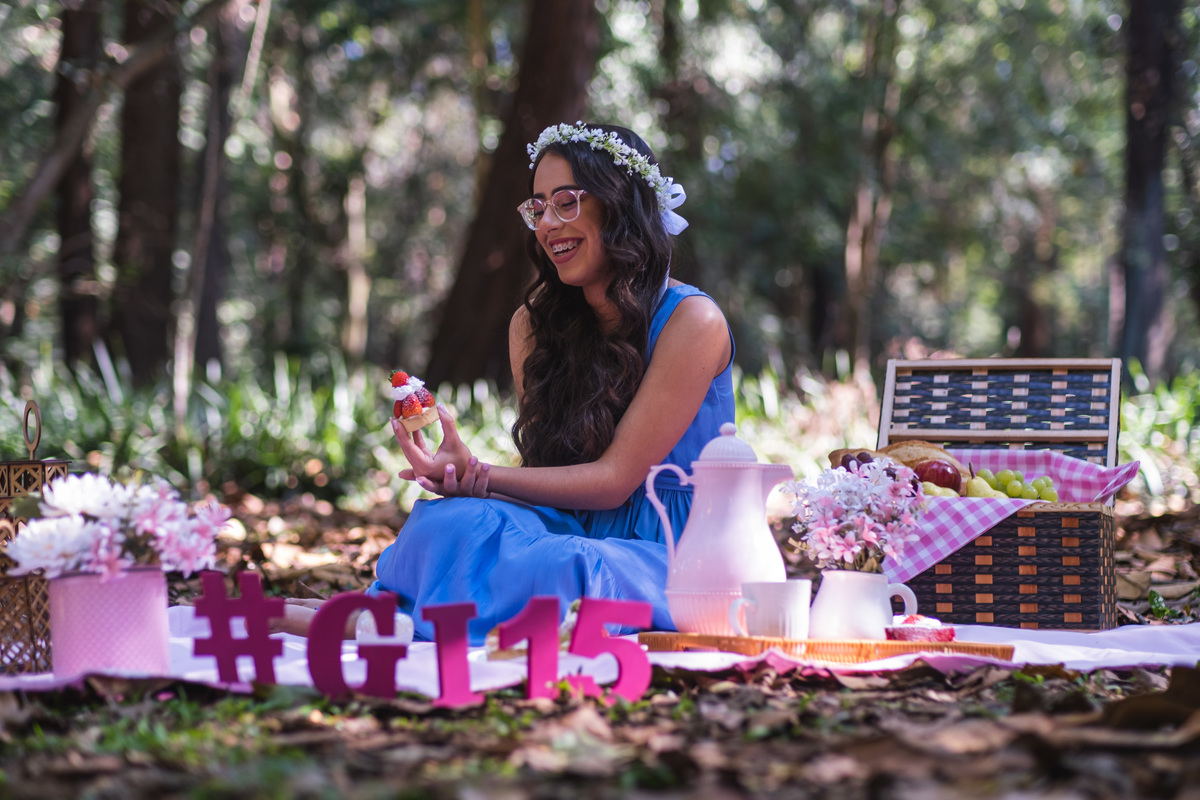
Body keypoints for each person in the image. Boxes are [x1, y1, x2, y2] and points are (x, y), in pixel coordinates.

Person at [280, 122, 734, 644]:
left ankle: (403, 623)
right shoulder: (534, 325)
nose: (548, 224)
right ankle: (397, 619)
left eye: (566, 202)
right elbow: (550, 478)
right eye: (538, 208)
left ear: (620, 204)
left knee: (568, 567)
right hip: (571, 528)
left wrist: (483, 472)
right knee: (450, 522)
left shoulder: (692, 322)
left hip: (678, 552)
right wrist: (467, 483)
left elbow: (613, 482)